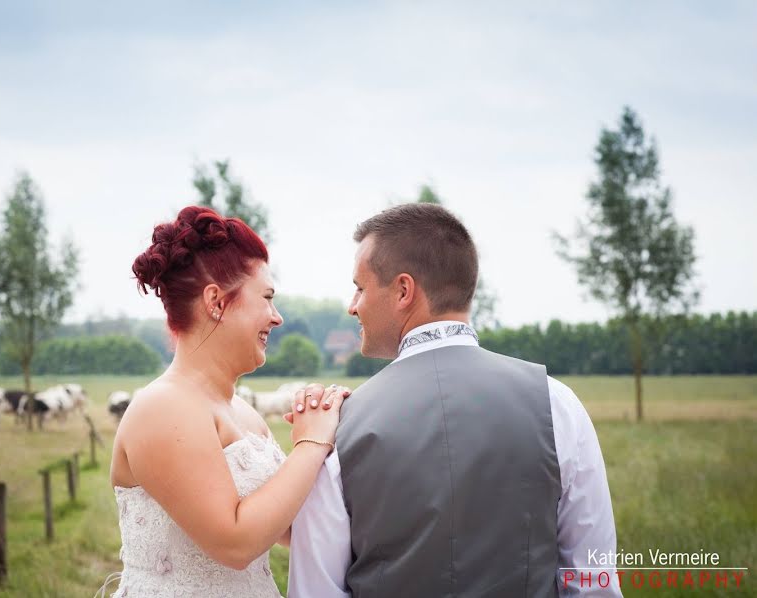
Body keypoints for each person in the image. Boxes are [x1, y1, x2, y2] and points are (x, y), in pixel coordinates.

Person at [288, 203, 621, 597]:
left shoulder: (339, 427)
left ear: (403, 291)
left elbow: (315, 591)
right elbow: (591, 580)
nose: (352, 304)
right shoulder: (556, 404)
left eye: (360, 287)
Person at [101, 206, 348, 597]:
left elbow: (286, 526)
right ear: (216, 300)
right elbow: (234, 543)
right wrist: (310, 444)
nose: (277, 317)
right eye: (267, 298)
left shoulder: (246, 414)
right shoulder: (163, 408)